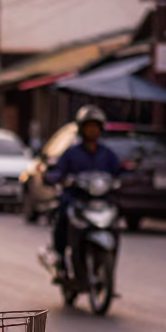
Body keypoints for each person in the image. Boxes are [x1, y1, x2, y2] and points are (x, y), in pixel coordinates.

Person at [46, 105, 121, 273]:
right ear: (82, 129)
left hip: (100, 200)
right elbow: (58, 171)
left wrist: (127, 178)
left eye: (95, 127)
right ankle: (60, 257)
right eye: (89, 127)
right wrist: (58, 177)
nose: (92, 131)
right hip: (76, 198)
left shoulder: (107, 153)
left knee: (116, 223)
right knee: (63, 215)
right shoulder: (71, 152)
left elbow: (119, 171)